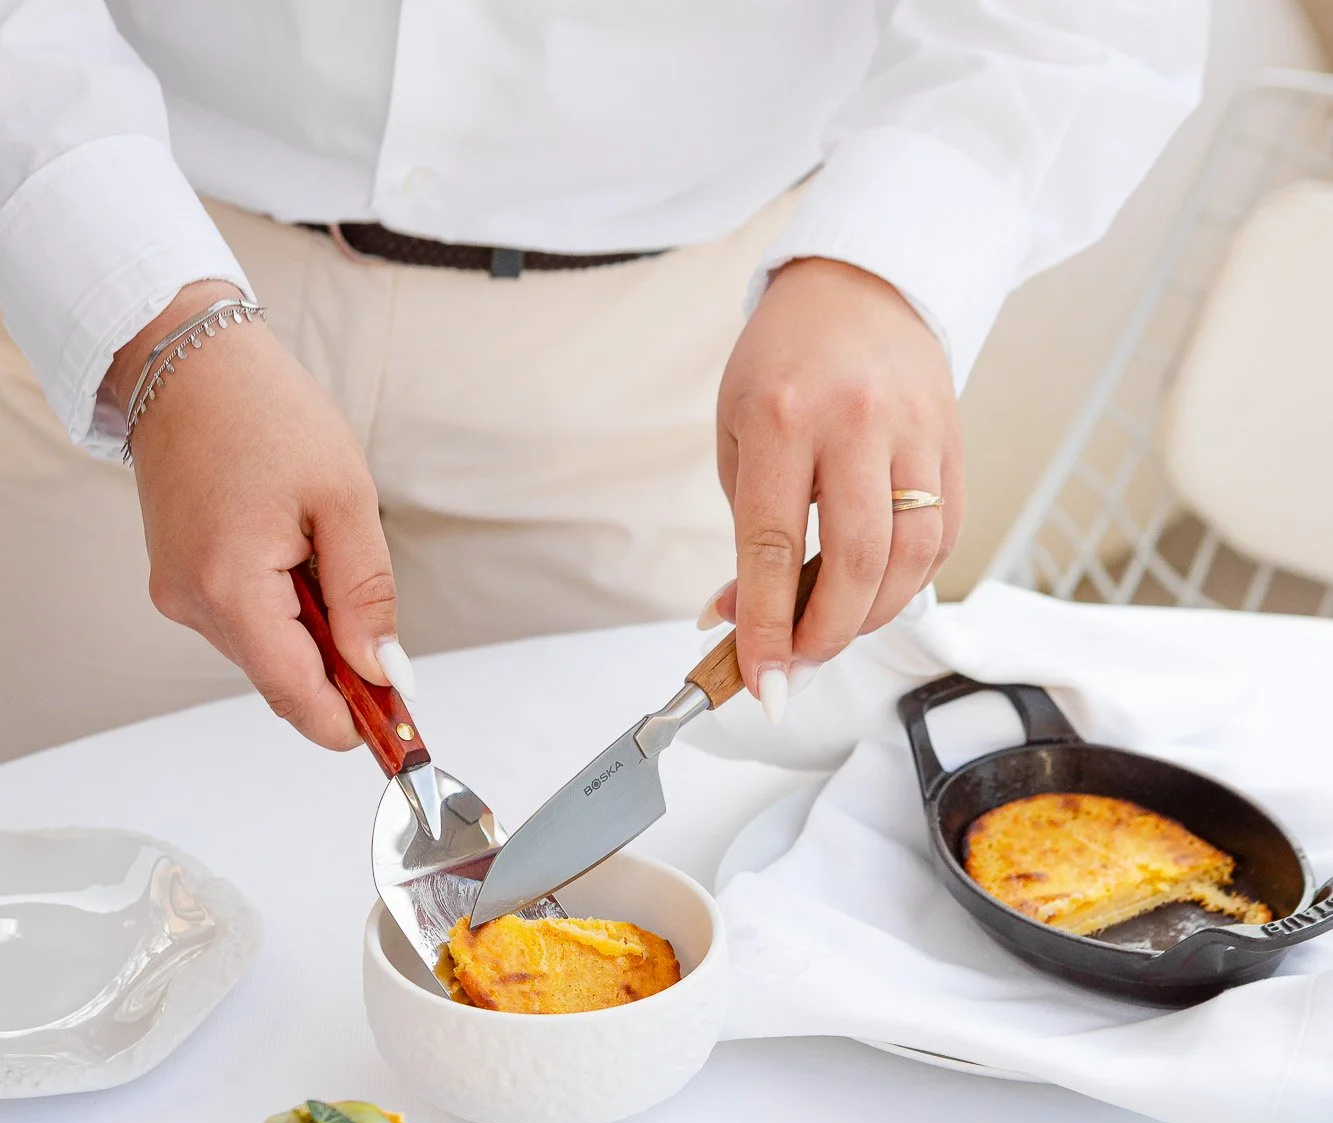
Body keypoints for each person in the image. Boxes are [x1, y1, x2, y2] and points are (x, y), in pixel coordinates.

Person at [0, 3, 1206, 760]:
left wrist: (887, 267)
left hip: (672, 352)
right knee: (67, 873)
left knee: (598, 944)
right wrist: (141, 308)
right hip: (113, 281)